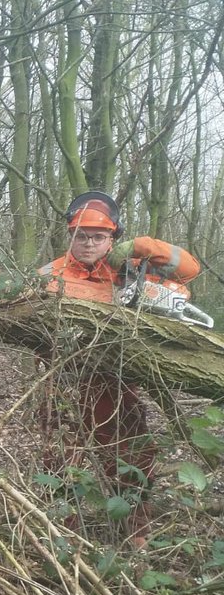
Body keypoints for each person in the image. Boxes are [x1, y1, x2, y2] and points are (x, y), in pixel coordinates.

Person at [39, 191, 201, 545]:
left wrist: (143, 246)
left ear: (112, 238)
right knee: (61, 460)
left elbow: (189, 271)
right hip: (63, 379)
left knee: (131, 454)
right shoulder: (49, 274)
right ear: (70, 235)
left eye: (98, 237)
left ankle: (136, 533)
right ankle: (64, 537)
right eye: (81, 235)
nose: (88, 243)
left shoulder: (128, 270)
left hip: (115, 378)